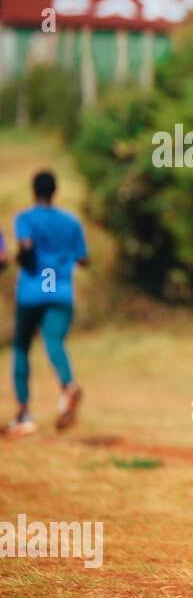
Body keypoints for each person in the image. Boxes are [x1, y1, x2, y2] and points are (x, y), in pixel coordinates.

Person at [6, 170, 88, 437]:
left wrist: (22, 258)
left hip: (32, 291)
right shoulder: (71, 221)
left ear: (34, 191)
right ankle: (67, 386)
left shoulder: (25, 218)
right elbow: (83, 259)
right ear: (55, 191)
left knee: (21, 348)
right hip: (60, 291)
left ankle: (24, 413)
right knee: (54, 341)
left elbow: (26, 247)